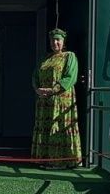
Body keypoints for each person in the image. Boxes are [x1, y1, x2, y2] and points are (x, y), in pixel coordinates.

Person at [30, 28, 81, 169]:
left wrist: (53, 90)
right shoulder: (45, 58)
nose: (55, 42)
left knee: (58, 126)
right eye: (52, 40)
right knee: (45, 127)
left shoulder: (69, 56)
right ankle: (44, 159)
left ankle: (60, 161)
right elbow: (35, 75)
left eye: (58, 40)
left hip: (61, 99)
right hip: (44, 101)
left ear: (63, 41)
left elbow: (70, 77)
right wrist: (37, 89)